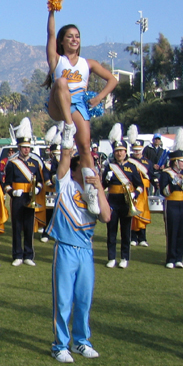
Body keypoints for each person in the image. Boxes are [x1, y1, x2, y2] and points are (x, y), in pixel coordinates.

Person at [45, 11, 117, 215]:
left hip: (79, 105)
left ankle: (91, 192)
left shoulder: (89, 63)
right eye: (70, 36)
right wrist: (51, 10)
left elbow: (113, 80)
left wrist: (99, 97)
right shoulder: (56, 60)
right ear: (62, 41)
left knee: (85, 148)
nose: (74, 39)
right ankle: (68, 126)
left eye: (77, 36)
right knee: (61, 82)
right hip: (59, 104)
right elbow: (50, 33)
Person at [46, 146, 112, 363]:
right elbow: (64, 161)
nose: (88, 172)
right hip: (65, 248)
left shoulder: (94, 191)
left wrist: (99, 187)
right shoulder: (66, 185)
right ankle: (60, 345)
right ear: (75, 172)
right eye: (84, 168)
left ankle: (81, 341)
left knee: (84, 300)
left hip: (85, 251)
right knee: (64, 300)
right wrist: (68, 145)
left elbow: (106, 216)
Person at [101, 140, 143, 269]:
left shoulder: (132, 167)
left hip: (126, 202)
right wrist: (107, 179)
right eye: (117, 151)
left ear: (126, 152)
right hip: (113, 200)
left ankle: (124, 257)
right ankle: (111, 257)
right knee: (111, 231)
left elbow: (140, 185)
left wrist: (135, 194)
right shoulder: (109, 167)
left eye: (122, 150)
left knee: (125, 232)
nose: (119, 153)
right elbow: (103, 186)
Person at [4, 136, 44, 266]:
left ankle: (28, 255)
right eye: (24, 147)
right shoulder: (12, 163)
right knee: (17, 226)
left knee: (29, 226)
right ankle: (17, 255)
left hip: (30, 196)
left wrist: (37, 189)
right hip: (18, 197)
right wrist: (13, 192)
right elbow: (7, 184)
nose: (26, 150)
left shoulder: (35, 163)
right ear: (19, 148)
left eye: (28, 147)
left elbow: (39, 181)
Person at [160, 150, 183, 269]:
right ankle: (170, 258)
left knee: (182, 231)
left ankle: (179, 258)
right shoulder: (166, 174)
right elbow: (164, 192)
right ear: (175, 162)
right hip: (172, 204)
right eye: (182, 162)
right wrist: (175, 183)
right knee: (172, 232)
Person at [129, 140, 153, 246]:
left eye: (138, 150)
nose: (137, 152)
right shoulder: (129, 162)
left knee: (142, 212)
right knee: (133, 214)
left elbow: (152, 175)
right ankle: (132, 237)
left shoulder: (147, 162)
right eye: (135, 150)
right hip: (133, 190)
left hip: (144, 192)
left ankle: (142, 238)